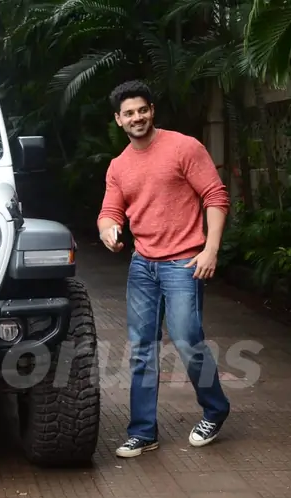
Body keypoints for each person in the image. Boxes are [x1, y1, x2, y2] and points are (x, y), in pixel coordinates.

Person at [97, 80, 231, 458]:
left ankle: (215, 408)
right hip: (143, 266)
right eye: (129, 113)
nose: (136, 117)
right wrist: (108, 230)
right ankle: (143, 432)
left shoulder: (183, 147)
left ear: (151, 111)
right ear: (118, 120)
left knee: (187, 339)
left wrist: (211, 249)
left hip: (184, 262)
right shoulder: (119, 166)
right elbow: (110, 210)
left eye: (142, 110)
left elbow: (215, 195)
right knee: (142, 349)